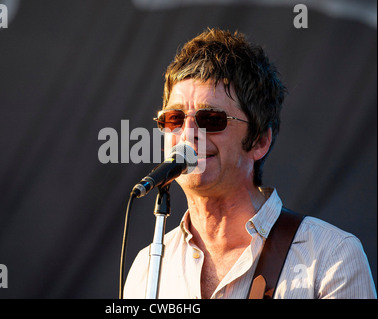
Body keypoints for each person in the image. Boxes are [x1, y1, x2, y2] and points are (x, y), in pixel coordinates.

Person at [123, 28, 376, 299]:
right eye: (174, 119)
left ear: (258, 141)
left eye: (211, 119)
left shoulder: (332, 258)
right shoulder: (147, 268)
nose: (187, 133)